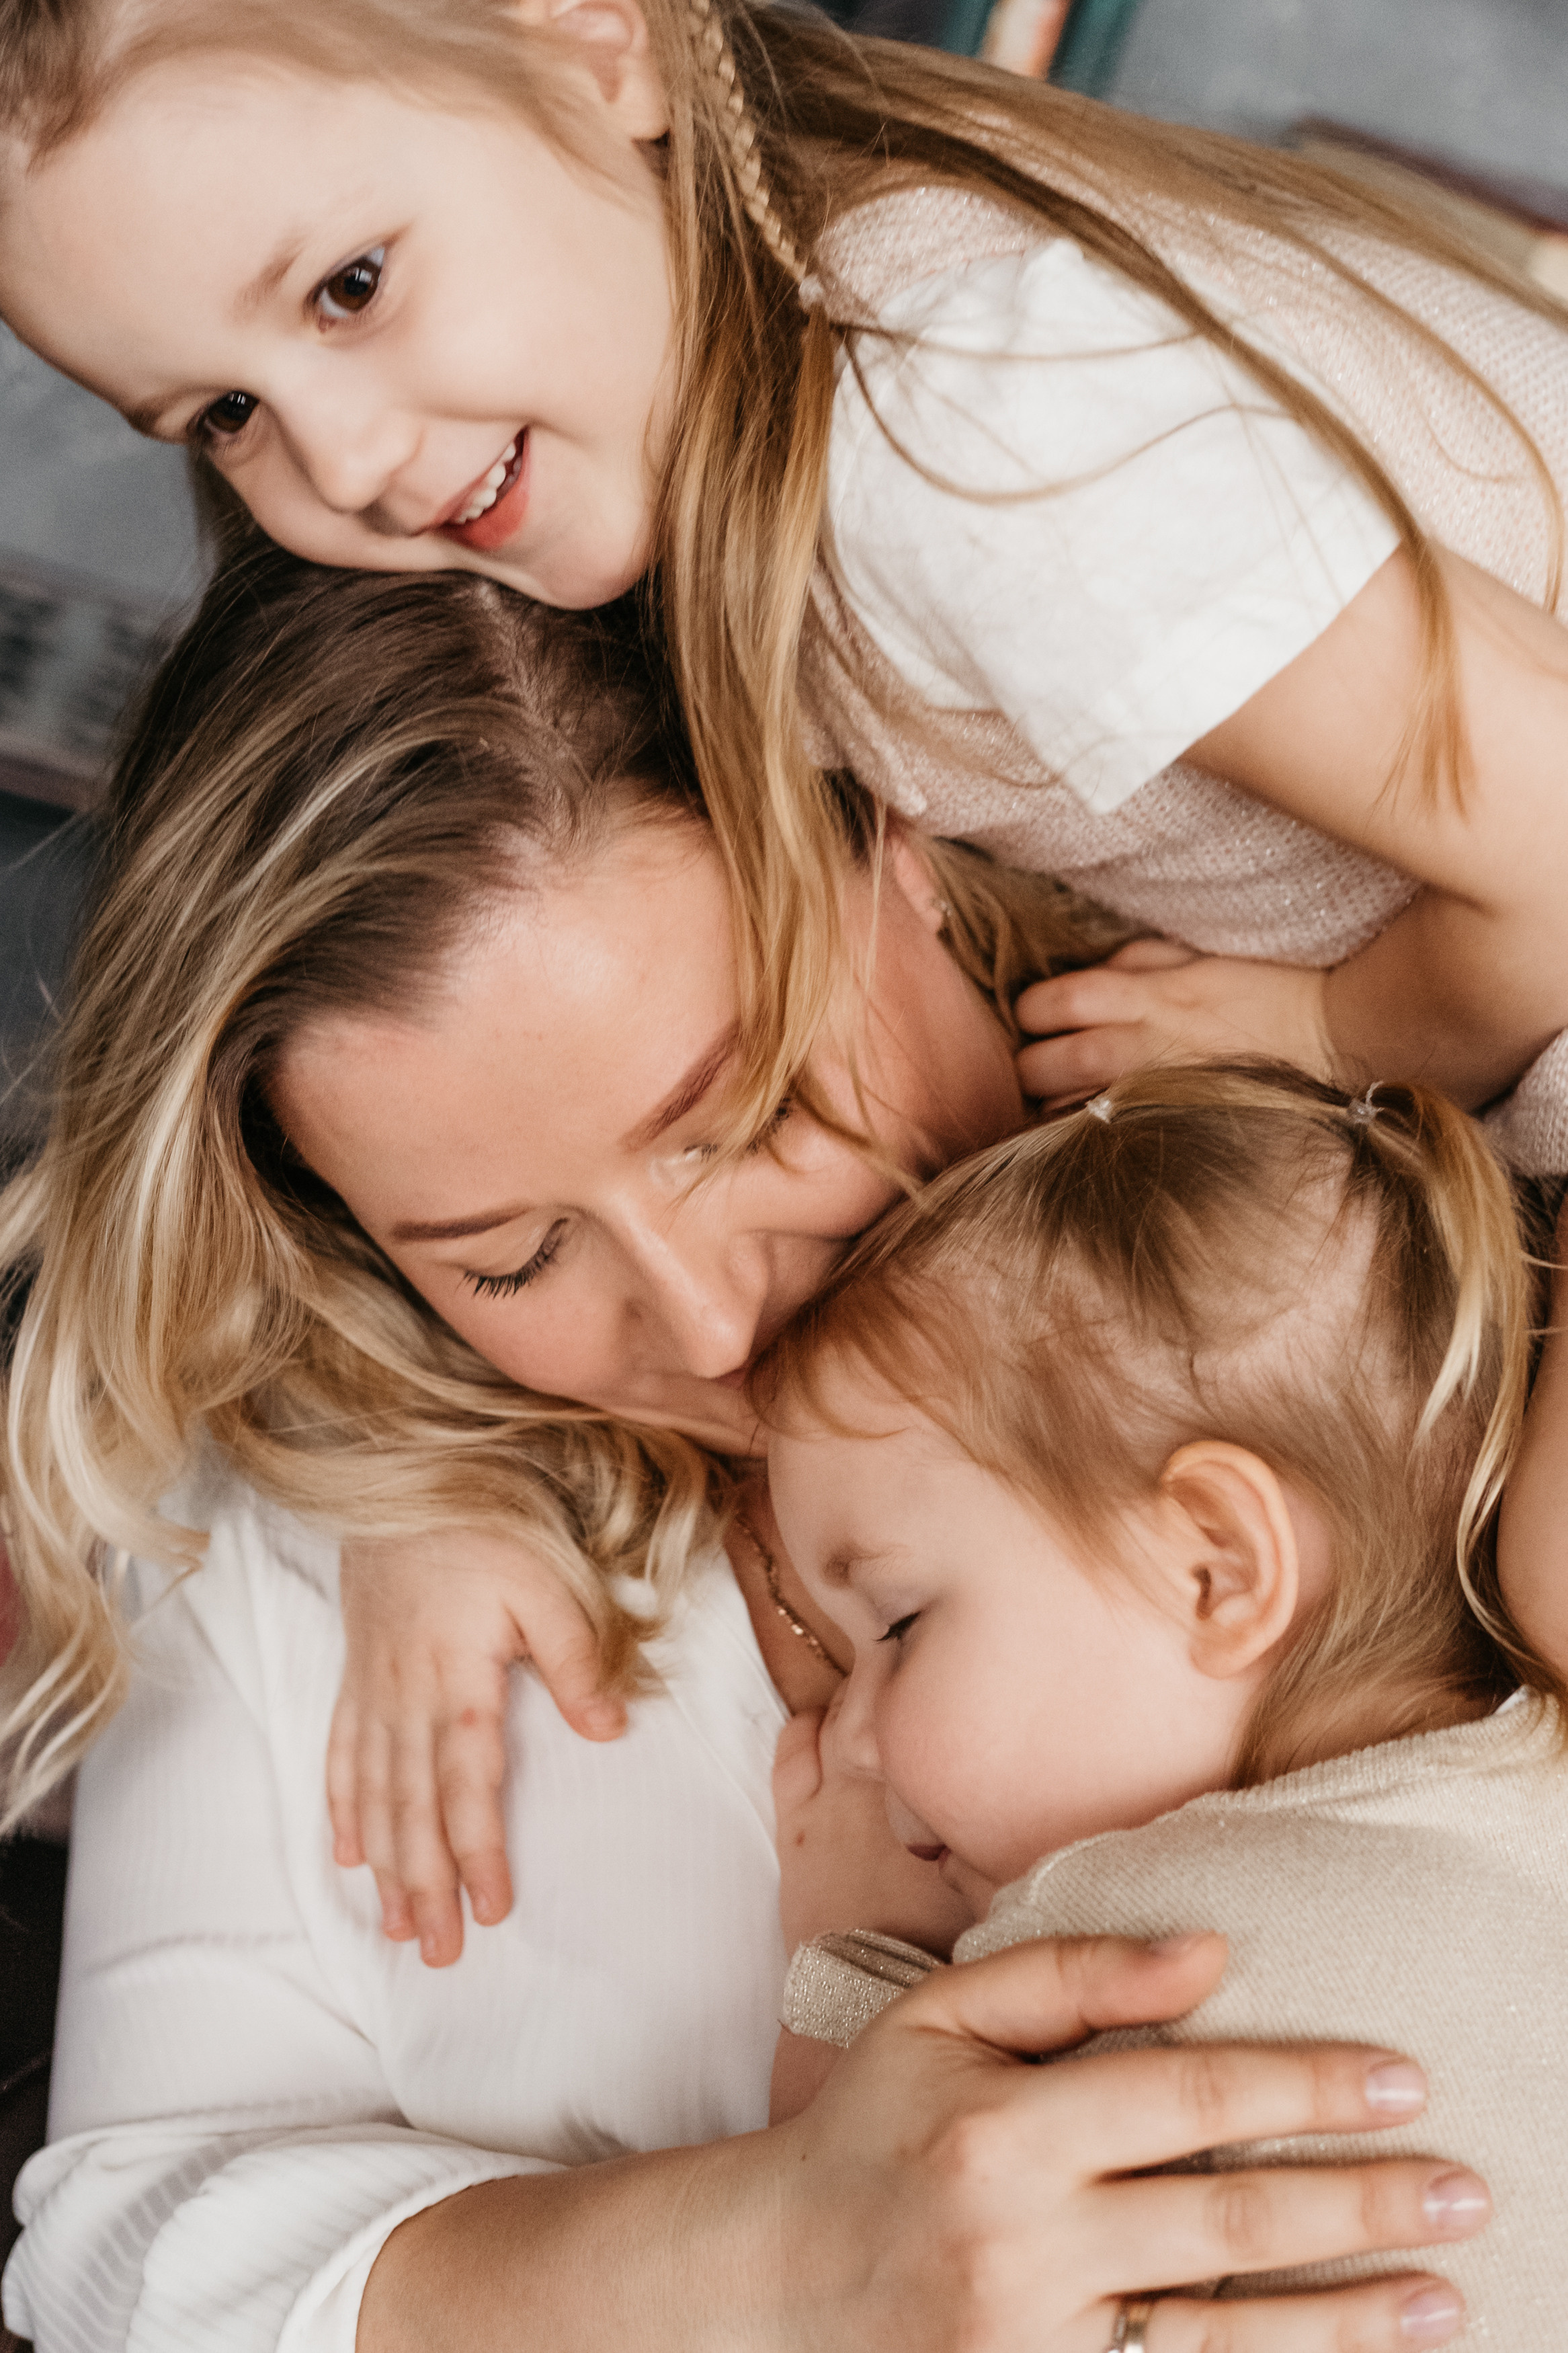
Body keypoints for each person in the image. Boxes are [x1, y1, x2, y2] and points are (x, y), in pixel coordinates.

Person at [5, 0, 1568, 1939]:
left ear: (596, 43)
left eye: (346, 287)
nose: (333, 458)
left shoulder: (948, 445)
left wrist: (1328, 1021)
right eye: (217, 415)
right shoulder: (668, 482)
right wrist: (406, 1486)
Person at [0, 551, 1487, 2350]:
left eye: (746, 1108)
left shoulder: (1365, 1274)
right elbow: (116, 2261)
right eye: (511, 1254)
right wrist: (769, 2249)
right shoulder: (301, 1541)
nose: (708, 1324)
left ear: (892, 846)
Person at [760, 1060, 1568, 2339]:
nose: (848, 1738)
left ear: (1215, 1569)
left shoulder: (1114, 1940)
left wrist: (854, 1950)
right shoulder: (1543, 1780)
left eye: (901, 1627)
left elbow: (852, 2251)